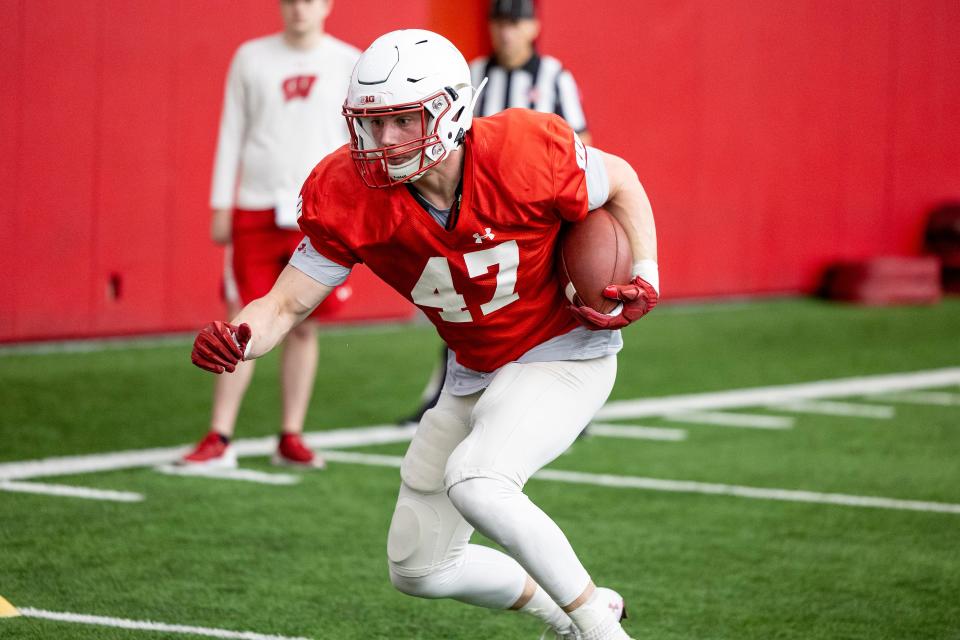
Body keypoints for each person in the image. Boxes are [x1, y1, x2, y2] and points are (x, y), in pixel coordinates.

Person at [191, 30, 659, 640]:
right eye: (372, 123)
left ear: (451, 111)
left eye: (402, 121)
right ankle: (567, 611)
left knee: (478, 479)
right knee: (420, 566)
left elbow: (620, 179)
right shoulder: (348, 192)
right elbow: (283, 303)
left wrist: (646, 270)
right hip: (475, 368)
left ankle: (600, 628)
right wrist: (238, 335)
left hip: (562, 349)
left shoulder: (521, 150)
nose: (382, 141)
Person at [181, 0, 359, 469]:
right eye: (291, 0)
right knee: (242, 318)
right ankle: (220, 434)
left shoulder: (349, 61)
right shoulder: (251, 57)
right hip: (255, 205)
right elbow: (231, 131)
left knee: (303, 324)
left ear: (327, 5)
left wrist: (354, 207)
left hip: (319, 211)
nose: (300, 9)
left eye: (310, 0)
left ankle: (290, 436)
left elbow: (357, 142)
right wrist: (222, 202)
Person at [401, 0, 594, 425]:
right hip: (481, 206)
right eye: (499, 23)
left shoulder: (553, 76)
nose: (506, 32)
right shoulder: (472, 72)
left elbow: (583, 142)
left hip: (539, 210)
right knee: (463, 303)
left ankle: (572, 403)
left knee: (557, 303)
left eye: (515, 22)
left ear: (531, 27)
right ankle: (440, 395)